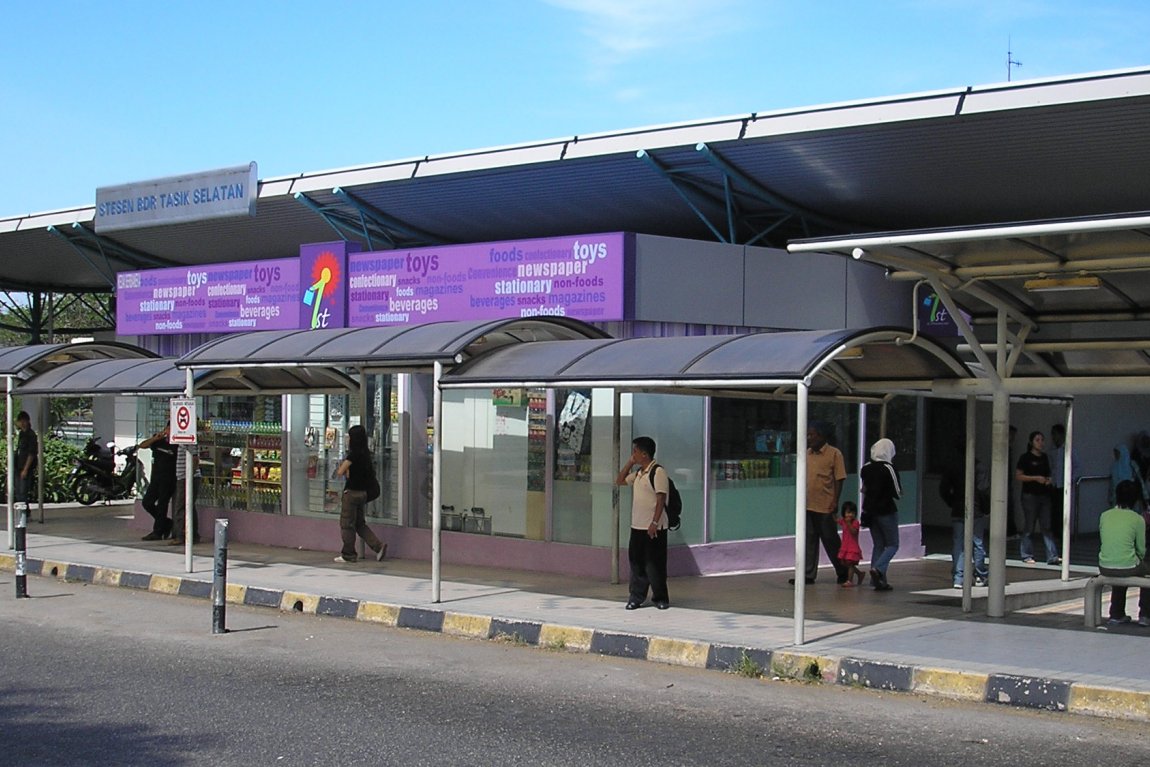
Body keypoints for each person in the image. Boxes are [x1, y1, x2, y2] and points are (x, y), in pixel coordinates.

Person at [615, 436, 670, 609]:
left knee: (654, 564)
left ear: (644, 454)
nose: (633, 454)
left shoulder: (658, 472)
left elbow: (661, 498)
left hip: (653, 527)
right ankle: (636, 597)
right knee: (637, 563)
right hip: (637, 526)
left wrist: (654, 522)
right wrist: (630, 463)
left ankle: (660, 597)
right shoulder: (638, 473)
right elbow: (620, 480)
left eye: (635, 452)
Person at [792, 422, 849, 586]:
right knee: (808, 539)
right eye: (808, 435)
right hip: (807, 504)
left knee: (830, 539)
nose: (809, 438)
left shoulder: (834, 454)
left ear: (822, 436)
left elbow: (839, 478)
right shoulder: (806, 454)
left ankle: (843, 571)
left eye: (812, 435)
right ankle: (808, 574)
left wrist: (835, 500)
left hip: (825, 505)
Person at [1098, 480, 1149, 626]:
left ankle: (1116, 613)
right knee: (1143, 571)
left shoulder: (1104, 515)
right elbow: (1141, 549)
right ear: (1135, 499)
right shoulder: (1138, 519)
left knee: (1120, 565)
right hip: (1127, 565)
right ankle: (1145, 614)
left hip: (1104, 565)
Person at [333, 424, 387, 563]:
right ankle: (378, 546)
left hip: (351, 493)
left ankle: (348, 554)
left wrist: (345, 469)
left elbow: (340, 472)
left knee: (347, 525)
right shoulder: (366, 455)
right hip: (363, 494)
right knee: (359, 524)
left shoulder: (353, 455)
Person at [940, 457, 989, 588]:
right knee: (977, 542)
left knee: (958, 544)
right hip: (976, 509)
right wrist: (986, 508)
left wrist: (952, 502)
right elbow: (983, 490)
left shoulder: (953, 467)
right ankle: (980, 575)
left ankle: (958, 577)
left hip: (958, 509)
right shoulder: (979, 467)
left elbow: (943, 488)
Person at [860, 437, 901, 591]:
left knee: (878, 544)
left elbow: (863, 489)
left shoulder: (866, 468)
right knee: (892, 544)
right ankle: (878, 569)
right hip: (886, 510)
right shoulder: (889, 468)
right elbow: (897, 492)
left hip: (870, 511)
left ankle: (878, 581)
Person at [1015, 430, 1060, 565]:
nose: (1041, 443)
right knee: (1030, 525)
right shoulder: (1025, 458)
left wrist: (1048, 480)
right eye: (1037, 440)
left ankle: (1052, 555)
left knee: (1046, 526)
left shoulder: (1045, 457)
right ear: (1031, 442)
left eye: (1042, 440)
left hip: (1044, 495)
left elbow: (1048, 473)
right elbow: (1019, 476)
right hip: (1030, 496)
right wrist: (1035, 478)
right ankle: (1026, 554)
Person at [139, 426, 177, 541]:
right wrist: (155, 438)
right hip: (156, 477)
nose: (168, 432)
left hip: (169, 478)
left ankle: (158, 531)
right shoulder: (158, 442)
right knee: (147, 502)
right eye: (168, 429)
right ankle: (166, 522)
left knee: (162, 504)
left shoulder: (177, 444)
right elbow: (142, 445)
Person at [1048, 423, 1079, 536]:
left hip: (1064, 486)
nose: (1053, 437)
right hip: (1054, 485)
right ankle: (1055, 533)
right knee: (1054, 511)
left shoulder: (1068, 449)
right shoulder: (1052, 450)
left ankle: (1063, 535)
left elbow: (1077, 466)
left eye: (1055, 434)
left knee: (1063, 511)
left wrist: (1070, 480)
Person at [168, 444, 199, 545]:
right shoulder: (181, 442)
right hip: (182, 477)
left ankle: (181, 536)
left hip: (186, 477)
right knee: (189, 507)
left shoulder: (188, 441)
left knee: (180, 507)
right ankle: (192, 535)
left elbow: (195, 458)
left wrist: (190, 475)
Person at [13, 411, 37, 514]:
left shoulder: (30, 435)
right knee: (18, 491)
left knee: (22, 492)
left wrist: (25, 469)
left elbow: (31, 453)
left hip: (25, 467)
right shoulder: (21, 434)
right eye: (20, 421)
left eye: (24, 421)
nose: (22, 423)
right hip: (18, 466)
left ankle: (24, 514)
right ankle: (23, 512)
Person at [1109, 443, 1145, 512]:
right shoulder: (1114, 467)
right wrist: (1110, 497)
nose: (1116, 455)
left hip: (1131, 496)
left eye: (1117, 453)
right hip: (1117, 497)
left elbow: (1140, 480)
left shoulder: (1132, 465)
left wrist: (1145, 495)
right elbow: (1112, 484)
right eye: (1115, 453)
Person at [837, 501, 865, 587]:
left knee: (851, 564)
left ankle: (850, 580)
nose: (850, 515)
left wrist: (849, 524)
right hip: (845, 547)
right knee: (844, 563)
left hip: (852, 548)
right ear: (844, 513)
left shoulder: (855, 523)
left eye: (852, 513)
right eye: (848, 512)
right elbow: (836, 520)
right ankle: (859, 573)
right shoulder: (843, 521)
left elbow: (854, 532)